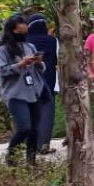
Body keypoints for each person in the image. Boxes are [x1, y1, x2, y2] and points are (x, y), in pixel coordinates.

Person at [0, 15, 45, 167]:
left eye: (25, 32)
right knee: (24, 127)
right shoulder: (3, 50)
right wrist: (20, 64)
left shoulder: (30, 47)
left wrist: (39, 63)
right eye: (20, 32)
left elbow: (41, 70)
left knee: (35, 129)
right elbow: (2, 71)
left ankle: (31, 161)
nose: (23, 35)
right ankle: (11, 157)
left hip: (33, 92)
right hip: (15, 94)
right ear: (12, 31)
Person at [25, 13, 58, 155]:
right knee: (46, 113)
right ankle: (44, 144)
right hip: (48, 81)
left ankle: (31, 145)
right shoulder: (53, 41)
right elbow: (58, 59)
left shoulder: (25, 41)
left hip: (28, 83)